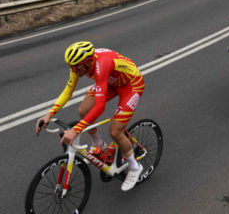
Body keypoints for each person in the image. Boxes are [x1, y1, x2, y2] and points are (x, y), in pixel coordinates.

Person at [35, 41, 146, 191]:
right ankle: (100, 146)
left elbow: (100, 107)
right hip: (110, 82)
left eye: (76, 68)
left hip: (131, 85)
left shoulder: (101, 65)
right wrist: (49, 114)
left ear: (87, 63)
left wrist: (75, 130)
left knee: (115, 131)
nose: (73, 71)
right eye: (70, 68)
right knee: (84, 110)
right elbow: (68, 92)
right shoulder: (79, 63)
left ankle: (134, 167)